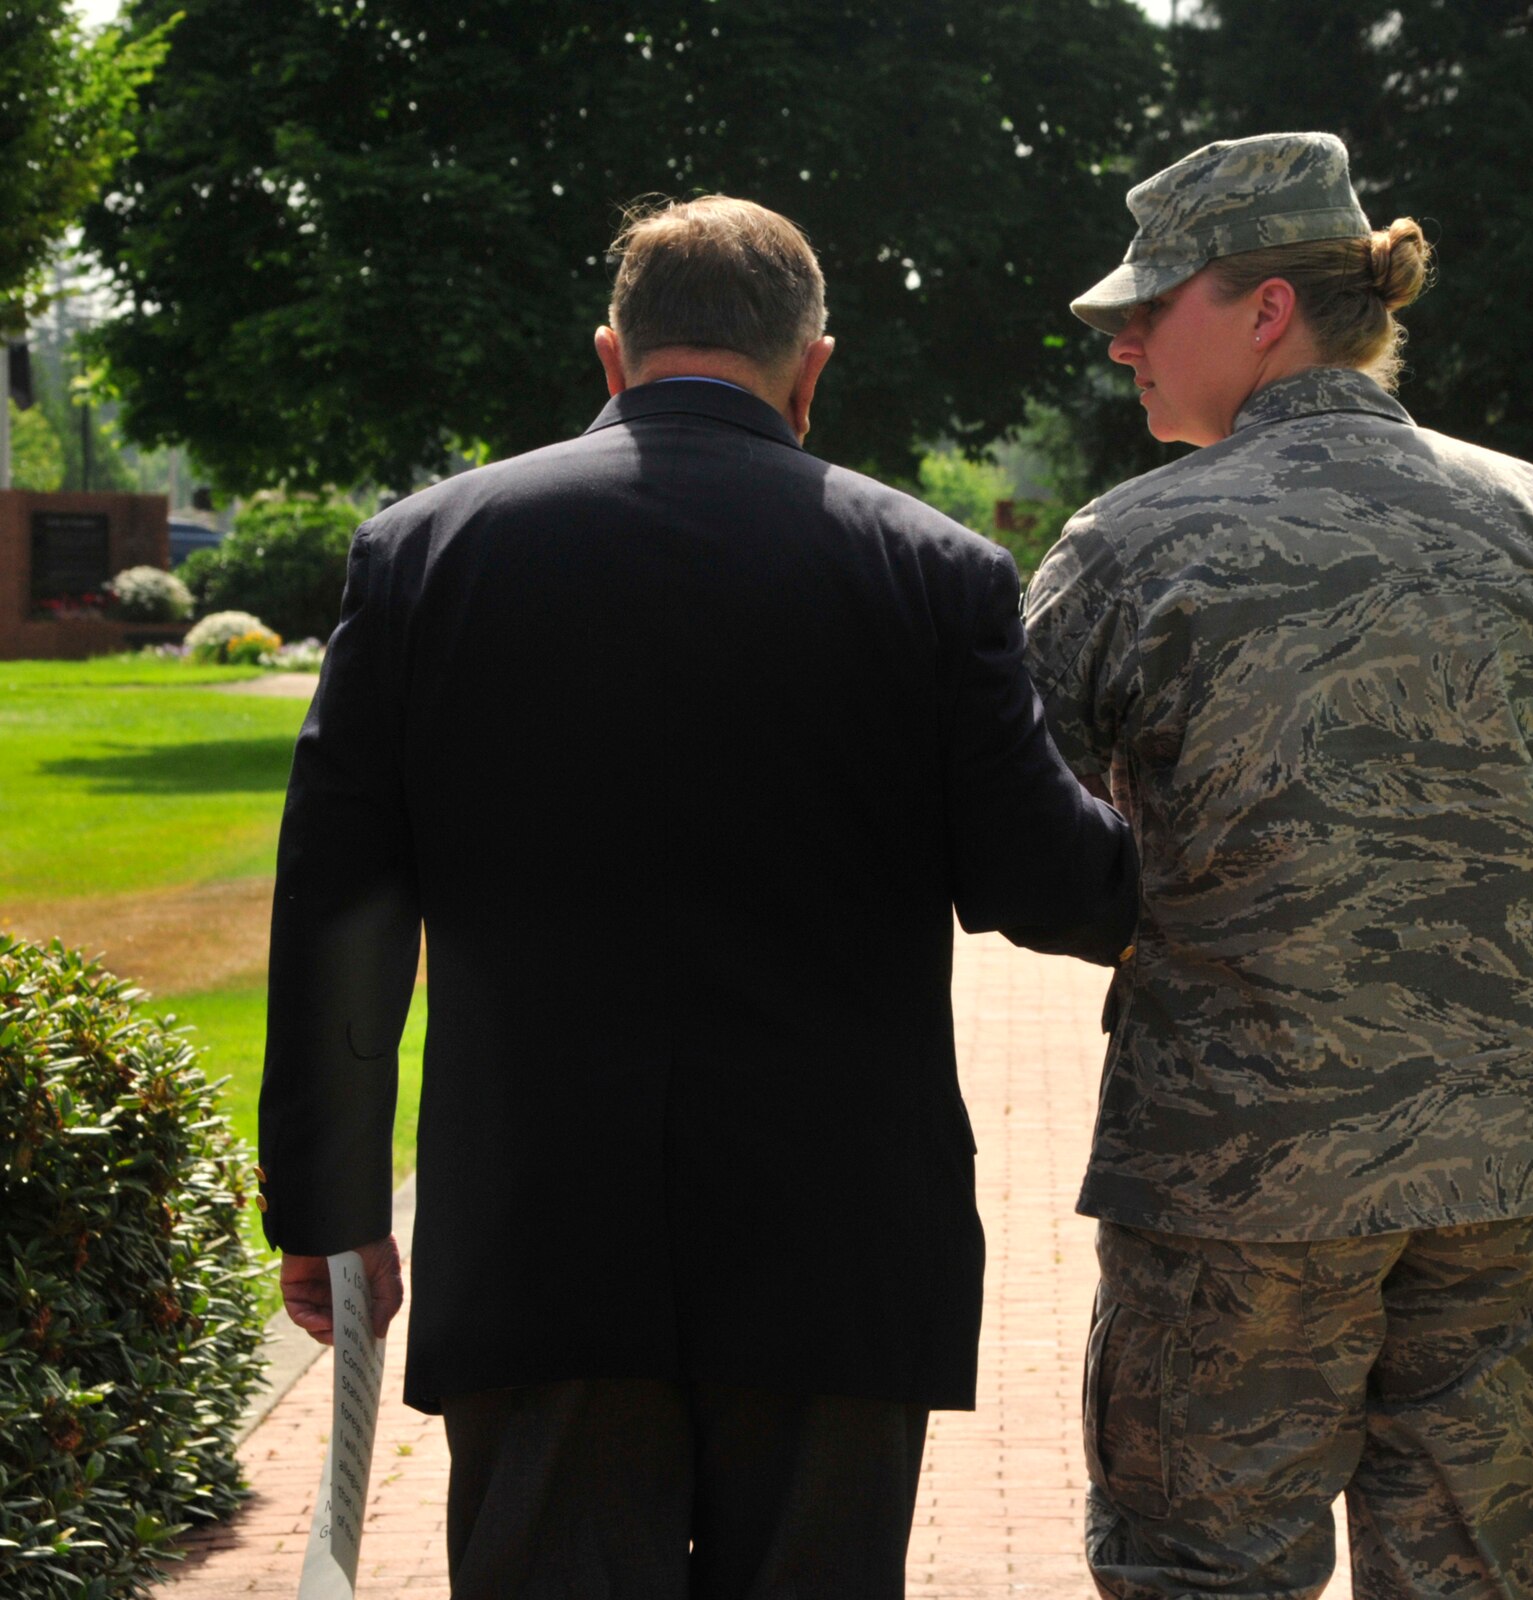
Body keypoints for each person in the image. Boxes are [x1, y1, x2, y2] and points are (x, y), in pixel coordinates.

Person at [257, 194, 1139, 1599]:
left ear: (612, 354)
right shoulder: (935, 572)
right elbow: (1046, 882)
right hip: (836, 1240)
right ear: (814, 365)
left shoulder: (423, 554)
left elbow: (338, 915)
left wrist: (330, 1196)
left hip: (537, 1234)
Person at [1022, 132, 1533, 1600]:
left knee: (1205, 1571)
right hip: (1518, 1183)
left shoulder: (1128, 548)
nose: (1119, 344)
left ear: (1266, 309)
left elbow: (998, 826)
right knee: (1477, 1577)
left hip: (1243, 1183)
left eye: (1146, 307)